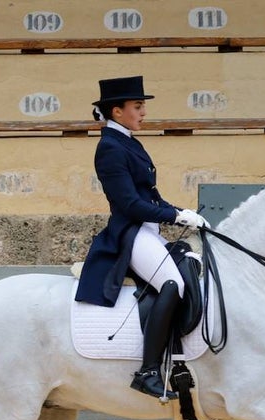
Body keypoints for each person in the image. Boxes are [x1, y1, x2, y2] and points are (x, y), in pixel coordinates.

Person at [75, 75, 209, 400]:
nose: (143, 112)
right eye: (138, 106)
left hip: (149, 231)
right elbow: (130, 205)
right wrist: (173, 216)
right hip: (130, 234)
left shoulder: (130, 142)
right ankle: (148, 371)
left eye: (143, 106)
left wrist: (181, 211)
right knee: (172, 285)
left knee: (188, 268)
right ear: (118, 111)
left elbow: (152, 198)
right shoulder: (109, 147)